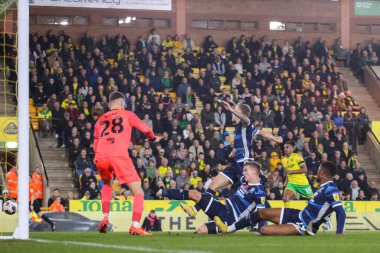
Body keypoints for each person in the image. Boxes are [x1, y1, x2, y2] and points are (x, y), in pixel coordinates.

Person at [180, 101, 282, 217]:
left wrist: (231, 109)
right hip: (235, 164)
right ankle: (194, 210)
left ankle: (274, 217)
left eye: (235, 110)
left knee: (253, 193)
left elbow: (247, 119)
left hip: (245, 165)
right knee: (213, 185)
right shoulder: (241, 127)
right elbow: (262, 133)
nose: (232, 112)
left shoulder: (246, 124)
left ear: (239, 112)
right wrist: (275, 138)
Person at [215, 161, 346, 236]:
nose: (316, 173)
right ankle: (228, 229)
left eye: (318, 171)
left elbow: (341, 212)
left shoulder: (331, 189)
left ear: (322, 174)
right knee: (260, 213)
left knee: (264, 230)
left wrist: (339, 233)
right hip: (298, 214)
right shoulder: (324, 187)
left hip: (303, 226)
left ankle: (238, 228)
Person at [94, 91, 156, 235]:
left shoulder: (100, 119)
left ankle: (105, 218)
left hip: (100, 156)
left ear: (110, 105)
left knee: (107, 184)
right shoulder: (127, 114)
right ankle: (135, 225)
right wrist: (152, 138)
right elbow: (146, 129)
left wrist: (98, 156)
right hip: (119, 156)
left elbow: (95, 143)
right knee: (138, 191)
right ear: (122, 104)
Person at [152, 159, 266, 234]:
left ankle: (194, 211)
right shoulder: (244, 182)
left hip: (229, 220)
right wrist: (232, 158)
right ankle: (160, 192)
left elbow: (261, 214)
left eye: (246, 171)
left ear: (254, 173)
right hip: (222, 208)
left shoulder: (259, 192)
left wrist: (261, 229)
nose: (244, 173)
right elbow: (237, 169)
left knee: (201, 231)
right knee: (195, 194)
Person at [282, 141, 313, 207]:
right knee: (285, 199)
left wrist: (292, 172)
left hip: (302, 183)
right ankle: (289, 215)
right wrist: (286, 181)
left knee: (311, 201)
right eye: (284, 147)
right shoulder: (283, 160)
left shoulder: (297, 156)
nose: (285, 149)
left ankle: (315, 215)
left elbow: (305, 169)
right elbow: (288, 172)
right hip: (292, 183)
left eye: (287, 147)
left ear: (292, 148)